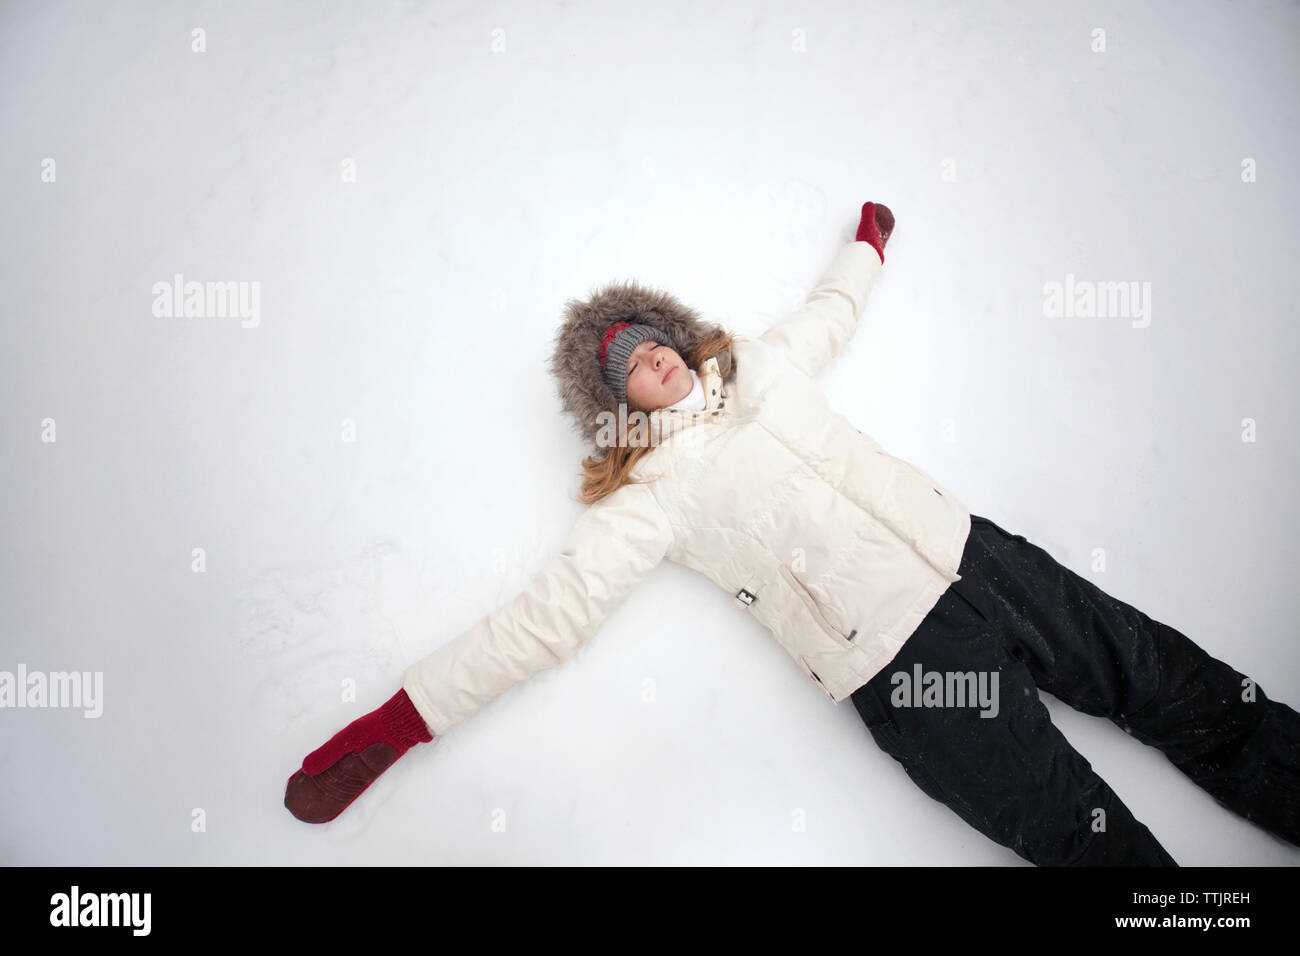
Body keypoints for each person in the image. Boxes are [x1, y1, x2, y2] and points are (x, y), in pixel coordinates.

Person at [284, 202, 1300, 866]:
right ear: (614, 399)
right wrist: (392, 725)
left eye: (654, 342)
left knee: (1170, 680)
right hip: (902, 661)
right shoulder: (648, 494)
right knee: (1079, 833)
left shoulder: (760, 366)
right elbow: (546, 620)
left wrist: (864, 246)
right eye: (629, 366)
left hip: (973, 553)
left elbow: (830, 314)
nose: (656, 363)